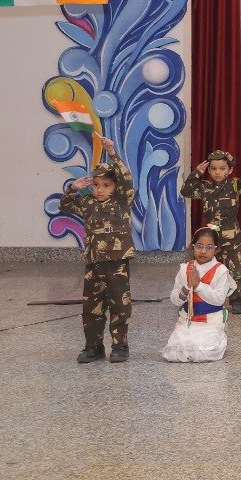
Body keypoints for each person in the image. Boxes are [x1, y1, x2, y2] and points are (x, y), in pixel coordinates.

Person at [59, 138, 135, 364]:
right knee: (92, 306)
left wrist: (112, 152)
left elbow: (126, 178)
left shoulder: (122, 200)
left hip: (117, 262)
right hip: (94, 262)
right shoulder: (87, 202)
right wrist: (73, 189)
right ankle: (93, 347)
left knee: (119, 305)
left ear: (115, 186)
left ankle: (120, 346)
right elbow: (64, 205)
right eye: (96, 185)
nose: (100, 189)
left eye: (106, 185)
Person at [179, 149, 241, 314]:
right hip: (210, 240)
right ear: (209, 170)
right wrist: (197, 172)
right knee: (204, 268)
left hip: (231, 237)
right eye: (213, 168)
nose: (218, 172)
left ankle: (236, 298)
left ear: (230, 170)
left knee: (235, 270)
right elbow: (185, 191)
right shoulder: (204, 187)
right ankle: (201, 298)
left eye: (222, 168)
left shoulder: (234, 185)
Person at [162, 226, 237, 363]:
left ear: (216, 250)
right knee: (173, 353)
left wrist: (198, 286)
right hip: (187, 320)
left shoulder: (221, 271)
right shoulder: (185, 269)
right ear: (193, 247)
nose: (203, 251)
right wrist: (187, 287)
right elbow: (175, 300)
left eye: (209, 247)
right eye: (199, 246)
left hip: (210, 320)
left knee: (205, 353)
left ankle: (220, 338)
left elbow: (219, 300)